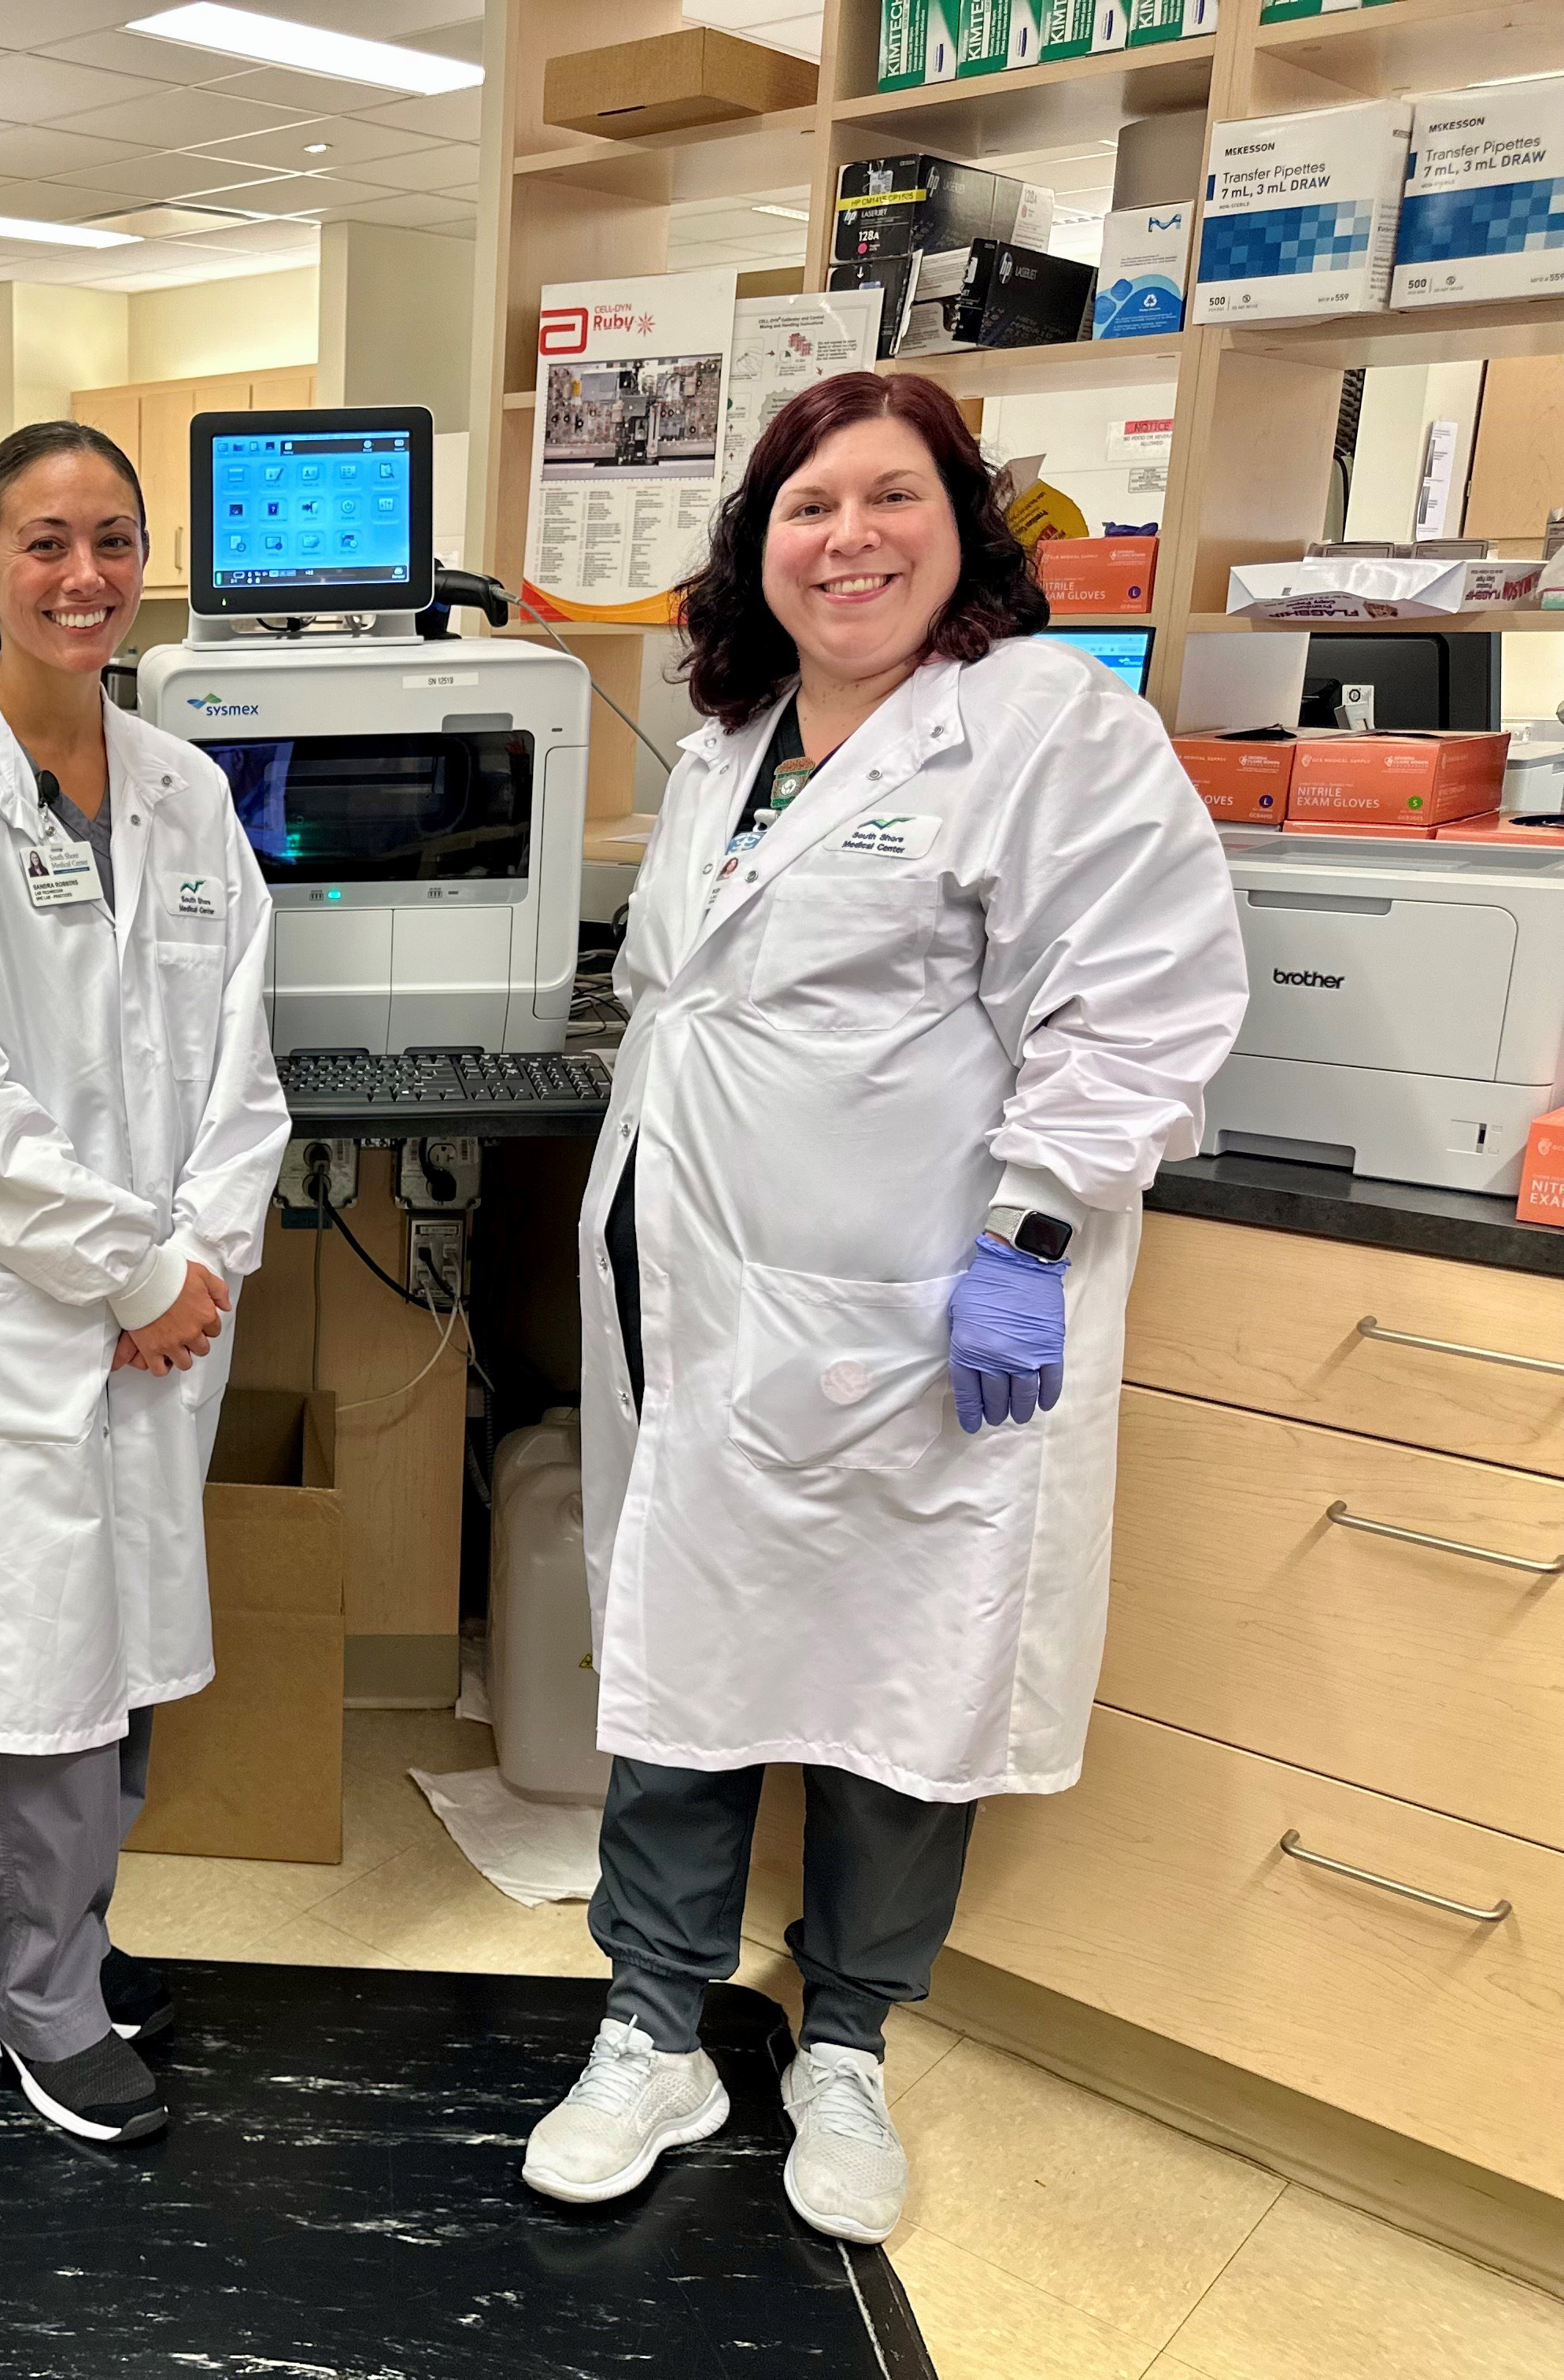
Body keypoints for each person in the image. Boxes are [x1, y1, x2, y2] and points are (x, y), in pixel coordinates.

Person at [520, 371, 1246, 2243]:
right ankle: (656, 2025)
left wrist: (1031, 1241)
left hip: (930, 1305)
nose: (848, 538)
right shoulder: (732, 733)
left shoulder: (1045, 730)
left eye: (889, 497)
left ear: (963, 525)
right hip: (703, 1289)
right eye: (807, 506)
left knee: (905, 1673)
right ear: (759, 548)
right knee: (684, 1660)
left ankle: (845, 2044)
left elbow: (1144, 1002)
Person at [0, 422, 291, 2148]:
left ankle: (70, 1943)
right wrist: (128, 1267)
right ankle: (32, 1992)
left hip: (163, 1302)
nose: (84, 576)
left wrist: (203, 1256)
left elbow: (242, 1044)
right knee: (33, 1663)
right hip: (14, 1305)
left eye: (113, 541)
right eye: (44, 542)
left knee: (116, 1646)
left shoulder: (180, 790)